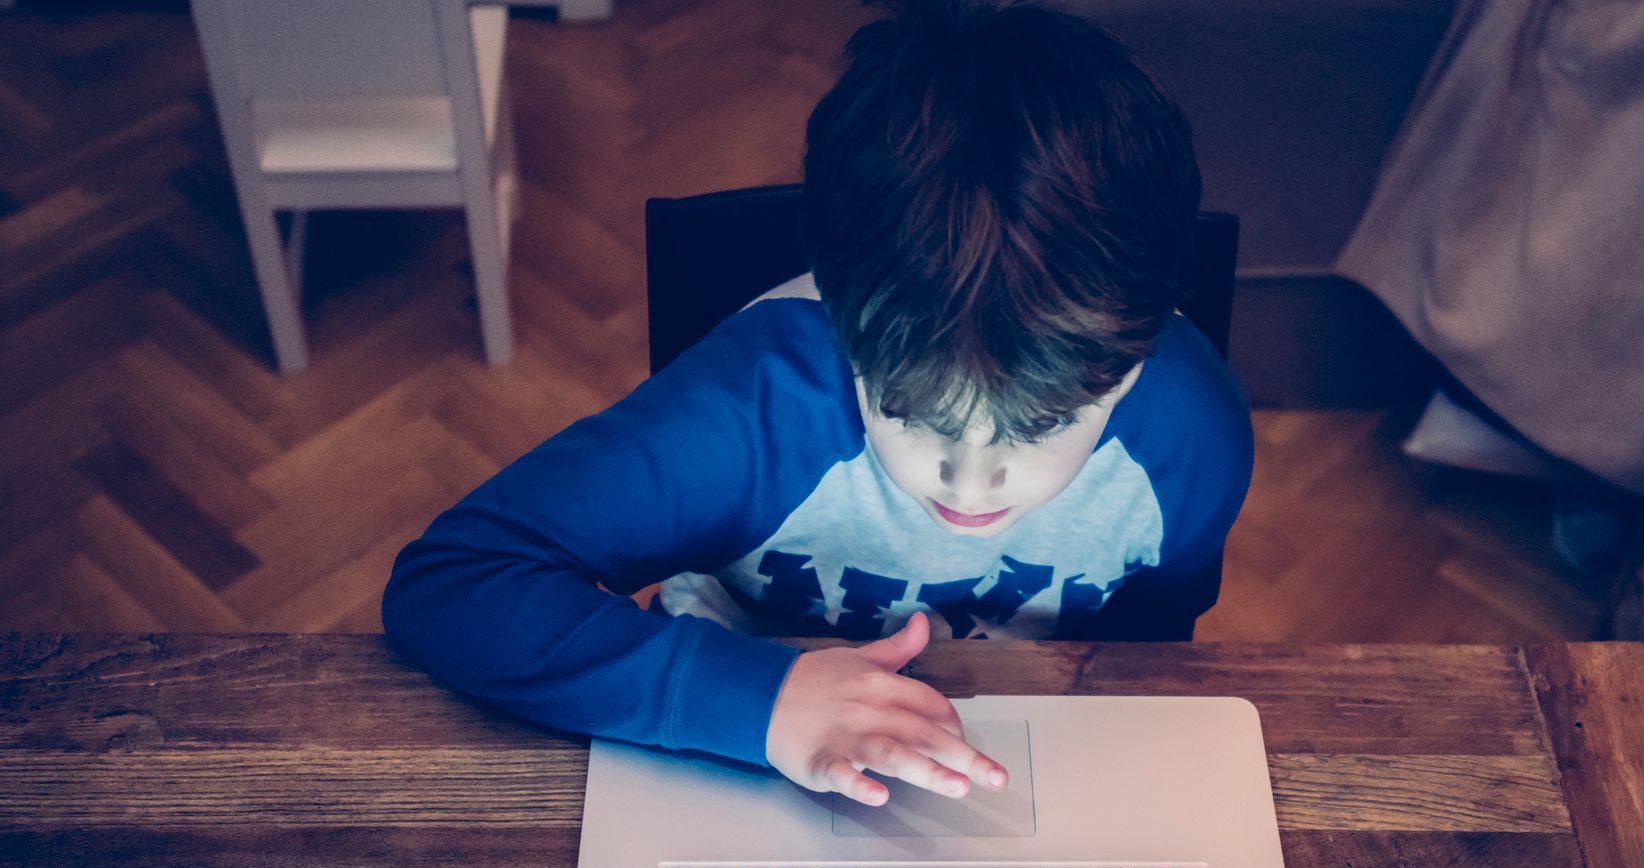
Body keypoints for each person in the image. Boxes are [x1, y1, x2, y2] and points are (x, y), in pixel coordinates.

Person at [381, 0, 1253, 810]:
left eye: (1043, 424)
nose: (972, 481)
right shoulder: (748, 413)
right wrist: (758, 703)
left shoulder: (1192, 436)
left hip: (1024, 761)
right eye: (913, 412)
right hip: (733, 751)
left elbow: (1149, 657)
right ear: (842, 319)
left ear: (1133, 363)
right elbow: (454, 580)